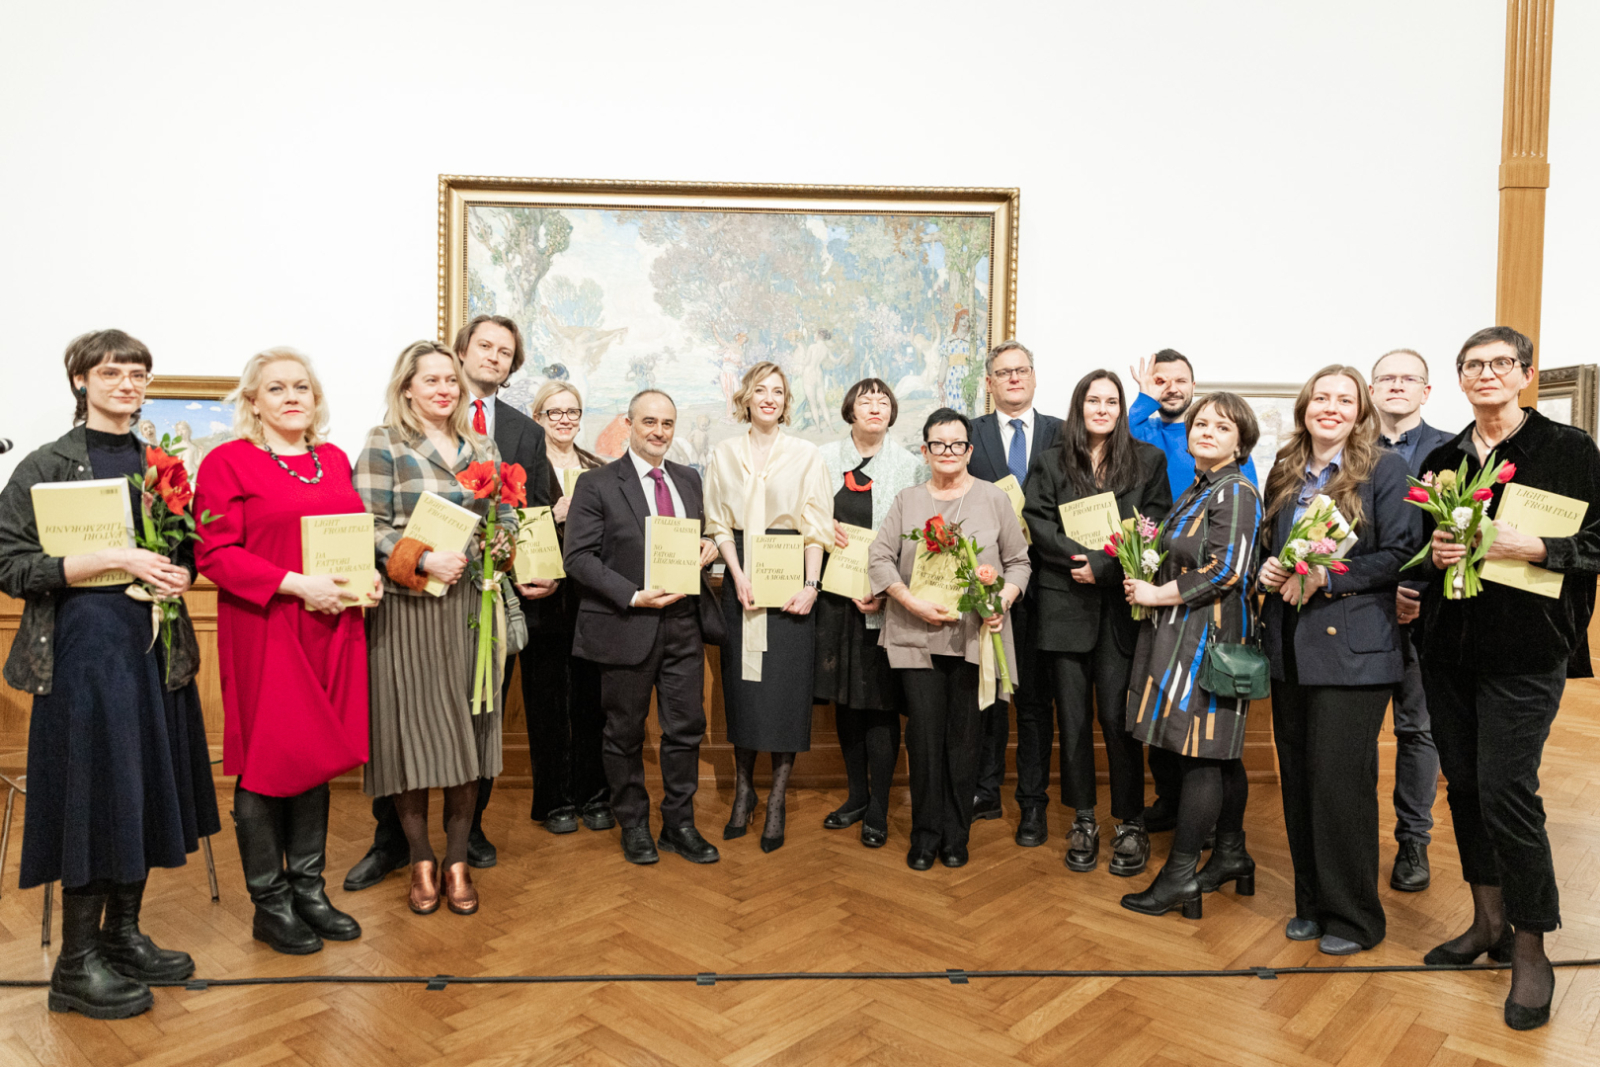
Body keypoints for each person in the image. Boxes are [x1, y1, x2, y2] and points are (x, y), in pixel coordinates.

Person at [0, 330, 220, 1019]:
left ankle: (121, 937)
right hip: (83, 661)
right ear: (80, 382)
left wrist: (179, 567)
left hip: (156, 651)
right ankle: (74, 964)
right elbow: (8, 565)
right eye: (112, 372)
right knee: (94, 794)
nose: (128, 383)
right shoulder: (45, 464)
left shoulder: (163, 463)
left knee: (145, 787)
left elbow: (186, 550)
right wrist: (99, 559)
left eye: (138, 374)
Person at [1418, 326, 1600, 1031]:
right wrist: (1432, 557)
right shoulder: (1443, 457)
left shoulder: (1568, 450)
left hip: (1527, 653)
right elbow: (1423, 555)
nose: (1487, 373)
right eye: (1474, 364)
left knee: (1506, 790)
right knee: (1462, 784)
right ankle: (1486, 920)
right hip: (1448, 650)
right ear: (1460, 378)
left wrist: (1538, 546)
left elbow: (1596, 544)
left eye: (1501, 363)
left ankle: (1532, 944)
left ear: (1525, 374)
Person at [343, 315, 552, 890]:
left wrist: (504, 543)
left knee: (471, 732)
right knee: (411, 736)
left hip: (470, 610)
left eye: (449, 383)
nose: (443, 390)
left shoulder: (481, 445)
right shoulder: (384, 443)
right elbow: (366, 526)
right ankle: (420, 862)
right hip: (409, 612)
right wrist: (421, 556)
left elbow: (504, 514)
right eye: (431, 380)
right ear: (407, 386)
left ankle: (458, 860)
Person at [193, 349, 376, 955]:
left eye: (302, 386)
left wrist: (365, 578)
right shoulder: (227, 462)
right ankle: (269, 904)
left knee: (315, 753)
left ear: (316, 397)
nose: (292, 396)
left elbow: (350, 538)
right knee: (271, 758)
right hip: (268, 625)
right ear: (254, 402)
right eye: (276, 388)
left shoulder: (331, 460)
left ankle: (310, 890)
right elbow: (213, 554)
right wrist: (297, 585)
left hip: (332, 628)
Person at [1256, 365, 1421, 955]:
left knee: (1341, 786)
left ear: (1360, 410)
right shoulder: (1284, 469)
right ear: (1305, 406)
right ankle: (1311, 905)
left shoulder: (1385, 469)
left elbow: (1403, 555)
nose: (1330, 407)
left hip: (1354, 651)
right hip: (1291, 650)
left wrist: (1331, 575)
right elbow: (1269, 545)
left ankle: (1355, 919)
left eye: (1343, 399)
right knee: (1298, 781)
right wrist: (1268, 567)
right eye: (1320, 397)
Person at [563, 389, 727, 865]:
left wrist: (709, 548)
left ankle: (679, 825)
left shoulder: (689, 479)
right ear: (630, 424)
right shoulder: (596, 484)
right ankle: (633, 823)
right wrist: (633, 595)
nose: (659, 431)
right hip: (626, 621)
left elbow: (701, 539)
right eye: (649, 422)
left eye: (667, 424)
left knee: (685, 730)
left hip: (683, 624)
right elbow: (577, 559)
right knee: (624, 733)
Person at [1119, 393, 1261, 922]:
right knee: (1218, 751)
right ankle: (1230, 854)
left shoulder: (1238, 492)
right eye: (1201, 423)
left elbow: (1228, 571)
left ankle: (1180, 875)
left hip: (1210, 637)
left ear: (1240, 441)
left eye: (1222, 427)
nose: (1207, 431)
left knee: (1202, 751)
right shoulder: (1201, 488)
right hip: (1182, 632)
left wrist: (1156, 594)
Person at [869, 408, 1030, 870]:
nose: (947, 452)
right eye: (937, 445)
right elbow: (879, 558)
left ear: (969, 450)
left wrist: (1005, 597)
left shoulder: (993, 500)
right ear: (925, 450)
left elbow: (1019, 561)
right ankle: (925, 835)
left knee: (964, 741)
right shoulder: (907, 500)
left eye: (956, 444)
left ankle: (956, 835)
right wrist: (910, 602)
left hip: (974, 639)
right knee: (923, 739)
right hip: (916, 637)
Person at [1022, 370, 1170, 874]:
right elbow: (1037, 522)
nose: (1102, 409)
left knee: (1117, 719)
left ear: (1122, 409)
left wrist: (1104, 567)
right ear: (1079, 406)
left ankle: (1130, 821)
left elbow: (1156, 526)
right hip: (1063, 606)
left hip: (1120, 611)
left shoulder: (1149, 461)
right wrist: (1077, 559)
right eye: (1093, 400)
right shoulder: (1049, 463)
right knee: (1075, 720)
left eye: (1111, 401)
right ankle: (1083, 818)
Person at [704, 362, 832, 852]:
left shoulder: (807, 455)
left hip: (791, 594)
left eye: (779, 391)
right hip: (743, 586)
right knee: (743, 694)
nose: (770, 398)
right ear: (746, 397)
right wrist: (735, 577)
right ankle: (743, 793)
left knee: (784, 697)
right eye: (761, 389)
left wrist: (811, 585)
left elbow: (816, 526)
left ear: (786, 400)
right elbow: (718, 523)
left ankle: (776, 799)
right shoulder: (723, 452)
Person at [814, 378, 927, 847]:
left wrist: (888, 590)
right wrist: (823, 527)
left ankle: (879, 806)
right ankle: (856, 795)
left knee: (879, 706)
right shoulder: (822, 460)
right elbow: (806, 516)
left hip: (884, 603)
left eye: (883, 401)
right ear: (850, 410)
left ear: (892, 412)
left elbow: (918, 538)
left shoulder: (910, 467)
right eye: (866, 400)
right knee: (846, 703)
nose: (875, 407)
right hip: (835, 603)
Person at [964, 340, 1062, 842]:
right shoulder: (969, 435)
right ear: (989, 383)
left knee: (1034, 700)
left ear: (1034, 376)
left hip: (1052, 587)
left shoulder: (1062, 434)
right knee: (989, 695)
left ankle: (1033, 803)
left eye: (1021, 370)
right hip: (987, 587)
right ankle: (985, 790)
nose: (1014, 379)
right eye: (1003, 373)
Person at [1370, 348, 1452, 892]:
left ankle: (1413, 843)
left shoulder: (1454, 452)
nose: (1397, 386)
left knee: (1417, 731)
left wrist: (1420, 593)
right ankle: (1353, 844)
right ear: (1372, 390)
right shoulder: (1351, 453)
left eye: (1409, 379)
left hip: (1430, 615)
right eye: (1386, 378)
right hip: (1364, 612)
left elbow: (1467, 535)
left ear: (1427, 390)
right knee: (1353, 737)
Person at [523, 379, 609, 834]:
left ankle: (594, 795)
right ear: (538, 418)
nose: (564, 420)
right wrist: (555, 514)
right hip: (543, 600)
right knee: (546, 704)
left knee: (591, 702)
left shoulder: (599, 468)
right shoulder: (525, 470)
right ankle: (554, 800)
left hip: (592, 602)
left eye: (572, 411)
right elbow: (515, 530)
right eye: (554, 412)